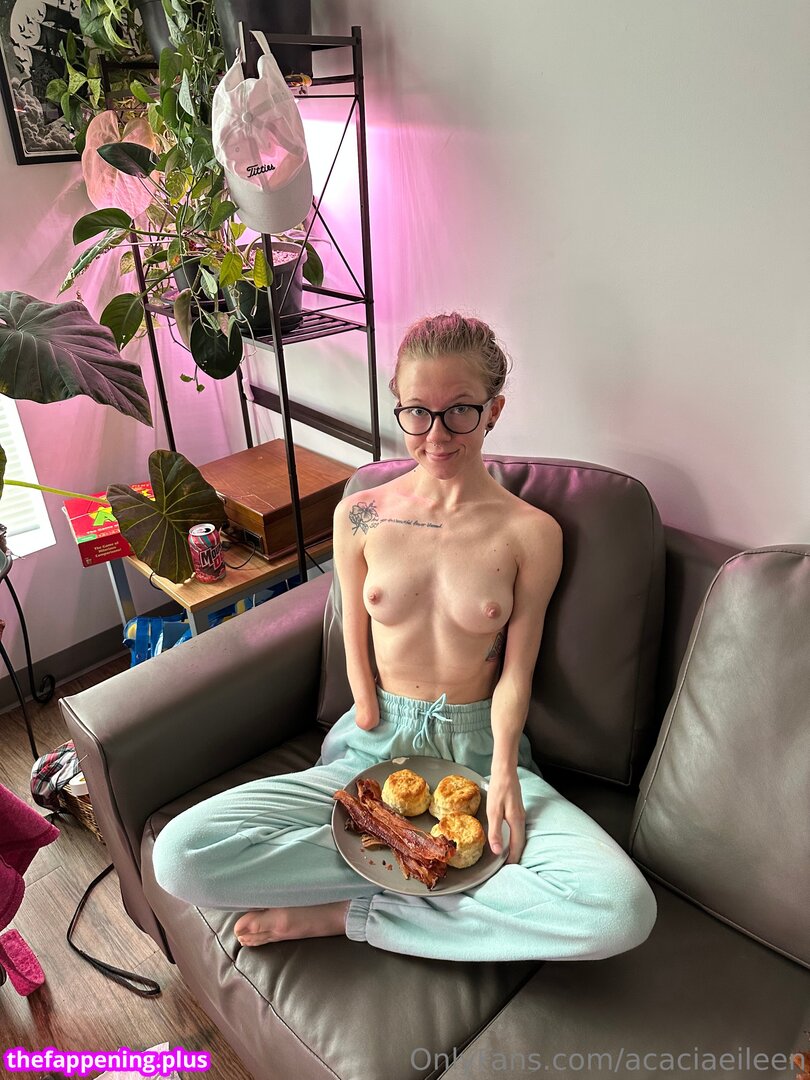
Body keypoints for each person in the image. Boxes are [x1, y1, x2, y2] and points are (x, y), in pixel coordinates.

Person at [152, 313, 657, 962]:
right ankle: (441, 875)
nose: (436, 434)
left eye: (460, 411)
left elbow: (517, 672)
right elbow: (352, 627)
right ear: (399, 406)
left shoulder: (531, 533)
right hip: (373, 746)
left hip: (478, 753)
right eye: (417, 412)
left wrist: (505, 770)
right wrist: (365, 704)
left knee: (619, 910)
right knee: (180, 855)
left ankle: (356, 911)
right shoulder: (361, 513)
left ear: (494, 410)